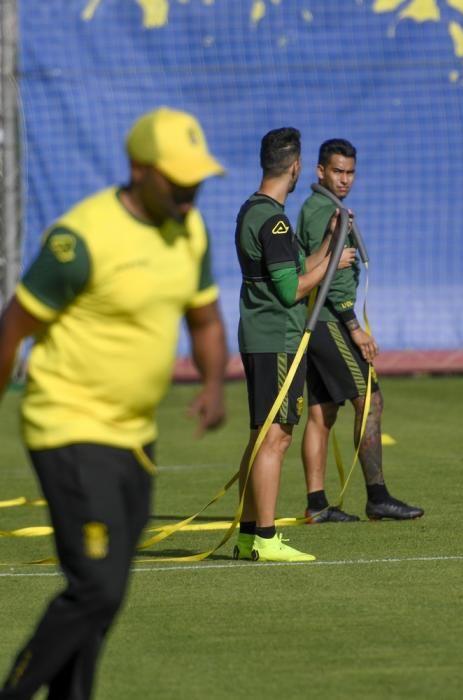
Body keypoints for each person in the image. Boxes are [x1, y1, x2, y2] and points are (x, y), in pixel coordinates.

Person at [0, 106, 228, 699]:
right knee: (97, 588)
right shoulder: (81, 240)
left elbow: (203, 317)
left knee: (105, 595)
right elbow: (12, 328)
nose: (189, 191)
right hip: (68, 427)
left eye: (197, 179)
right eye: (178, 179)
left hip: (135, 436)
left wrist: (210, 384)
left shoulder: (191, 230)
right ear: (138, 169)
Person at [233, 127, 356, 562]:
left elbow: (291, 266)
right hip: (277, 338)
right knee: (277, 437)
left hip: (257, 334)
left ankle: (249, 535)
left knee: (261, 435)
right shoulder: (277, 220)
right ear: (297, 166)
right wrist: (331, 268)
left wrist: (328, 245)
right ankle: (266, 537)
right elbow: (291, 290)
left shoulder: (253, 209)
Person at [296, 138, 424, 523]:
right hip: (329, 320)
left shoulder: (323, 207)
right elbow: (332, 277)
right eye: (337, 171)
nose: (344, 179)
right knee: (370, 400)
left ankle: (317, 506)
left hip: (314, 320)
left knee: (322, 414)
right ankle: (378, 497)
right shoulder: (322, 210)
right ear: (320, 171)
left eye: (350, 172)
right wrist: (355, 328)